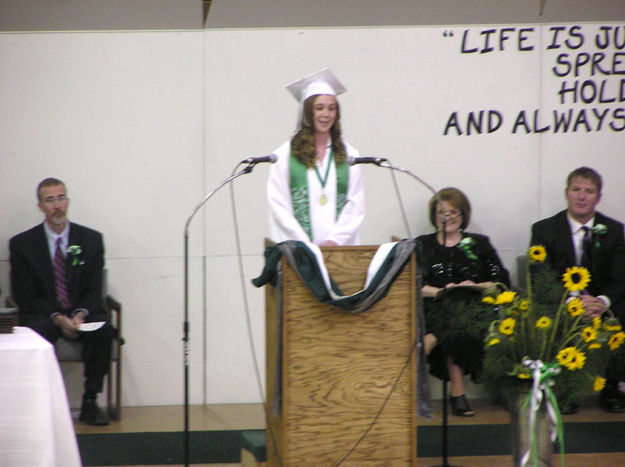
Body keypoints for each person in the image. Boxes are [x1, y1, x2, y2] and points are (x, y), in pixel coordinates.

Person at [9, 177, 115, 426]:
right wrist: (57, 317)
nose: (57, 205)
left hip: (81, 312)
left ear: (67, 201)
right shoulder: (23, 244)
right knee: (33, 332)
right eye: (50, 200)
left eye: (61, 198)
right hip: (44, 313)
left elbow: (94, 287)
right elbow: (24, 295)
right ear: (40, 207)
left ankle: (90, 402)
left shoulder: (91, 240)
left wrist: (79, 314)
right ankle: (39, 405)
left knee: (104, 329)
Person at [530, 166, 625, 414]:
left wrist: (601, 302)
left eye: (589, 191)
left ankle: (612, 387)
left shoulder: (614, 231)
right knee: (545, 314)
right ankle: (565, 389)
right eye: (576, 190)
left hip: (600, 303)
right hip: (562, 301)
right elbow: (540, 278)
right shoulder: (543, 230)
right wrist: (573, 301)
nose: (582, 196)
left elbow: (620, 278)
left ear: (598, 197)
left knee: (622, 311)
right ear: (566, 193)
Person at [416, 187, 510, 416]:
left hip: (476, 308)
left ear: (463, 215)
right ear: (433, 216)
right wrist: (440, 292)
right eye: (441, 213)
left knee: (459, 307)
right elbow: (414, 283)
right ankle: (457, 392)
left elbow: (500, 279)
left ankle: (432, 338)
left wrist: (475, 286)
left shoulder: (480, 244)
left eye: (453, 212)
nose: (446, 218)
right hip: (435, 306)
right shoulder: (423, 245)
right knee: (453, 313)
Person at [267, 68, 365, 246]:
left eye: (331, 108)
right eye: (319, 108)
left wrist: (334, 242)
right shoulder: (283, 156)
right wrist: (305, 244)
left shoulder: (350, 156)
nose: (326, 114)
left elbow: (355, 204)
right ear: (307, 112)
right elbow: (279, 204)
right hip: (300, 251)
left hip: (340, 253)